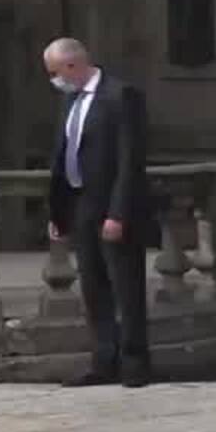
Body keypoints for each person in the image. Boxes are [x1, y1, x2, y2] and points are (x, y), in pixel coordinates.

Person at [43, 37, 153, 388]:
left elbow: (129, 160)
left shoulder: (121, 96)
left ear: (73, 66)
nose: (54, 80)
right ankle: (103, 360)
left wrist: (118, 213)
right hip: (80, 203)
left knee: (125, 285)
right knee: (93, 286)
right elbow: (63, 157)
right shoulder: (71, 101)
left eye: (55, 72)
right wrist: (58, 213)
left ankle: (134, 362)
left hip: (112, 205)